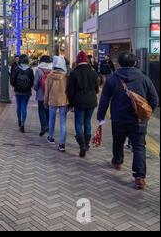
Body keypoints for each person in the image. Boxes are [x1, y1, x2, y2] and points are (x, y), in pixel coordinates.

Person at [97, 52, 159, 190]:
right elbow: (154, 99)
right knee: (139, 147)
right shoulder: (144, 78)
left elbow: (104, 100)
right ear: (135, 63)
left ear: (118, 63)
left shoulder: (112, 79)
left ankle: (118, 162)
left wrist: (101, 116)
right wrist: (146, 112)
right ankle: (139, 176)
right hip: (138, 119)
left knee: (118, 141)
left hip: (118, 118)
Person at [67, 51, 99, 158]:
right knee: (87, 122)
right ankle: (87, 143)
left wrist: (70, 104)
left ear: (78, 60)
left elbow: (70, 91)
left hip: (79, 101)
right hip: (91, 100)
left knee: (78, 122)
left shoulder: (74, 73)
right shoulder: (93, 72)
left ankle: (82, 145)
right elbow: (97, 89)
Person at [45, 56, 69, 152]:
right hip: (63, 100)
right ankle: (62, 144)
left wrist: (45, 101)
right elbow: (69, 90)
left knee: (51, 119)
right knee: (63, 122)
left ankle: (51, 137)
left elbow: (47, 91)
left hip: (52, 100)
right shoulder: (66, 76)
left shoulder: (50, 76)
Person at [10, 54, 34, 133]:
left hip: (18, 90)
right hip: (27, 91)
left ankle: (19, 120)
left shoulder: (16, 69)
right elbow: (32, 82)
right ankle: (23, 123)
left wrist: (16, 86)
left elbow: (12, 81)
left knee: (19, 106)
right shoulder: (30, 70)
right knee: (24, 106)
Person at [33, 55, 52, 137]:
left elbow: (35, 83)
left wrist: (36, 89)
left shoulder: (39, 70)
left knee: (41, 110)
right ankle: (48, 126)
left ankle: (43, 126)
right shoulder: (52, 70)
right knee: (48, 110)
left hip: (41, 95)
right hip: (50, 95)